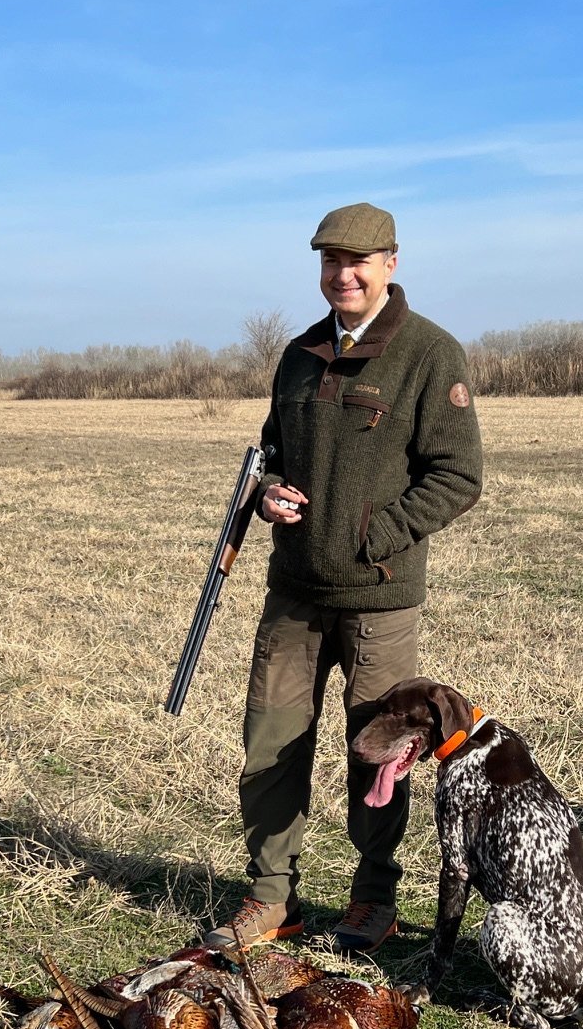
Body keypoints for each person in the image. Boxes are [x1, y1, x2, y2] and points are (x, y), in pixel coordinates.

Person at [203, 203, 483, 954]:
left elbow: (457, 476)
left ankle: (374, 897)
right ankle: (271, 898)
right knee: (270, 742)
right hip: (293, 594)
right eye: (330, 261)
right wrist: (270, 494)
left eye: (359, 261)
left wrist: (374, 537)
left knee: (377, 750)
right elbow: (274, 452)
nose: (343, 275)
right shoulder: (297, 355)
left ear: (391, 262)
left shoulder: (429, 354)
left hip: (378, 602)